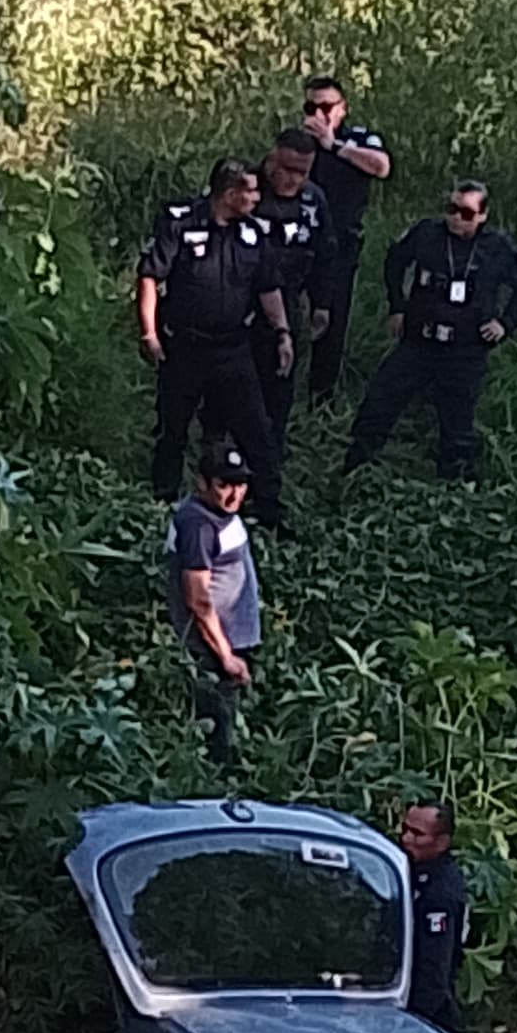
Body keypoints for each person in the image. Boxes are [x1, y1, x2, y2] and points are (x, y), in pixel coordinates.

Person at [135, 161, 294, 522]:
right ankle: (162, 504)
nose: (257, 198)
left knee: (257, 430)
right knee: (173, 429)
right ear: (230, 193)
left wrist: (283, 333)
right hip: (185, 347)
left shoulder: (253, 233)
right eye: (251, 191)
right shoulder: (181, 224)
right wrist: (149, 333)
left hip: (233, 349)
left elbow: (268, 287)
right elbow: (149, 277)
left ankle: (269, 508)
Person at [345, 180, 517, 481]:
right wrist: (397, 306)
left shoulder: (497, 247)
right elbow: (395, 261)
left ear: (482, 216)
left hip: (465, 348)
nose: (457, 218)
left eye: (466, 213)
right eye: (452, 209)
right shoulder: (427, 234)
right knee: (380, 401)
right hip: (420, 340)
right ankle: (355, 469)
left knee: (458, 422)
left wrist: (506, 323)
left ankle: (454, 486)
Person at [166, 442, 265, 769]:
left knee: (227, 725)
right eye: (224, 485)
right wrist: (226, 656)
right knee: (217, 737)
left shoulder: (220, 515)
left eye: (241, 484)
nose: (235, 494)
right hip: (211, 650)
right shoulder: (199, 524)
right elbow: (198, 599)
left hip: (230, 643)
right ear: (202, 483)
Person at [295, 77, 389, 405]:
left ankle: (321, 398)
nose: (319, 113)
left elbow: (381, 166)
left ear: (342, 108)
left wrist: (333, 145)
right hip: (298, 243)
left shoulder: (359, 138)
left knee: (331, 323)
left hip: (339, 244)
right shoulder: (299, 142)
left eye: (326, 106)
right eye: (311, 106)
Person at [252, 127, 329, 472]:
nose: (293, 179)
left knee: (279, 383)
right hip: (241, 302)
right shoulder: (247, 189)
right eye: (287, 169)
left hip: (290, 299)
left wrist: (322, 303)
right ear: (272, 158)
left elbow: (325, 253)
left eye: (302, 172)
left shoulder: (313, 201)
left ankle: (271, 455)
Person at [397, 798, 467, 1033]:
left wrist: (411, 1024)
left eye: (417, 834)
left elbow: (434, 971)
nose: (406, 839)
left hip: (425, 1018)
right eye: (405, 829)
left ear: (441, 842)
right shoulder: (410, 872)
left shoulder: (439, 894)